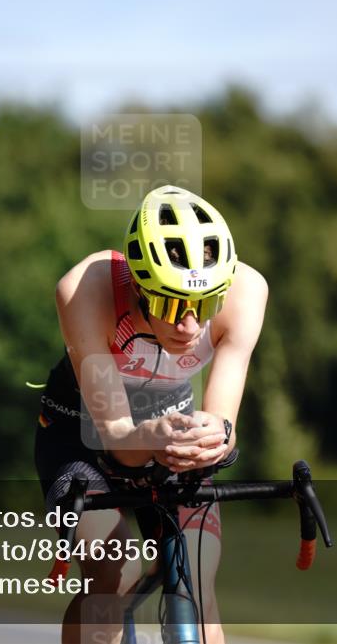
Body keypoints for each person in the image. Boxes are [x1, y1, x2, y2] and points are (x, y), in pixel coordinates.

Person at [35, 185, 268, 644]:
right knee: (115, 570)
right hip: (81, 433)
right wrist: (152, 435)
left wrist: (215, 435)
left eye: (204, 305)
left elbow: (224, 426)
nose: (190, 325)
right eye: (171, 304)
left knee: (197, 581)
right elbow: (118, 436)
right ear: (139, 287)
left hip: (171, 432)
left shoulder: (246, 292)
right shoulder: (86, 289)